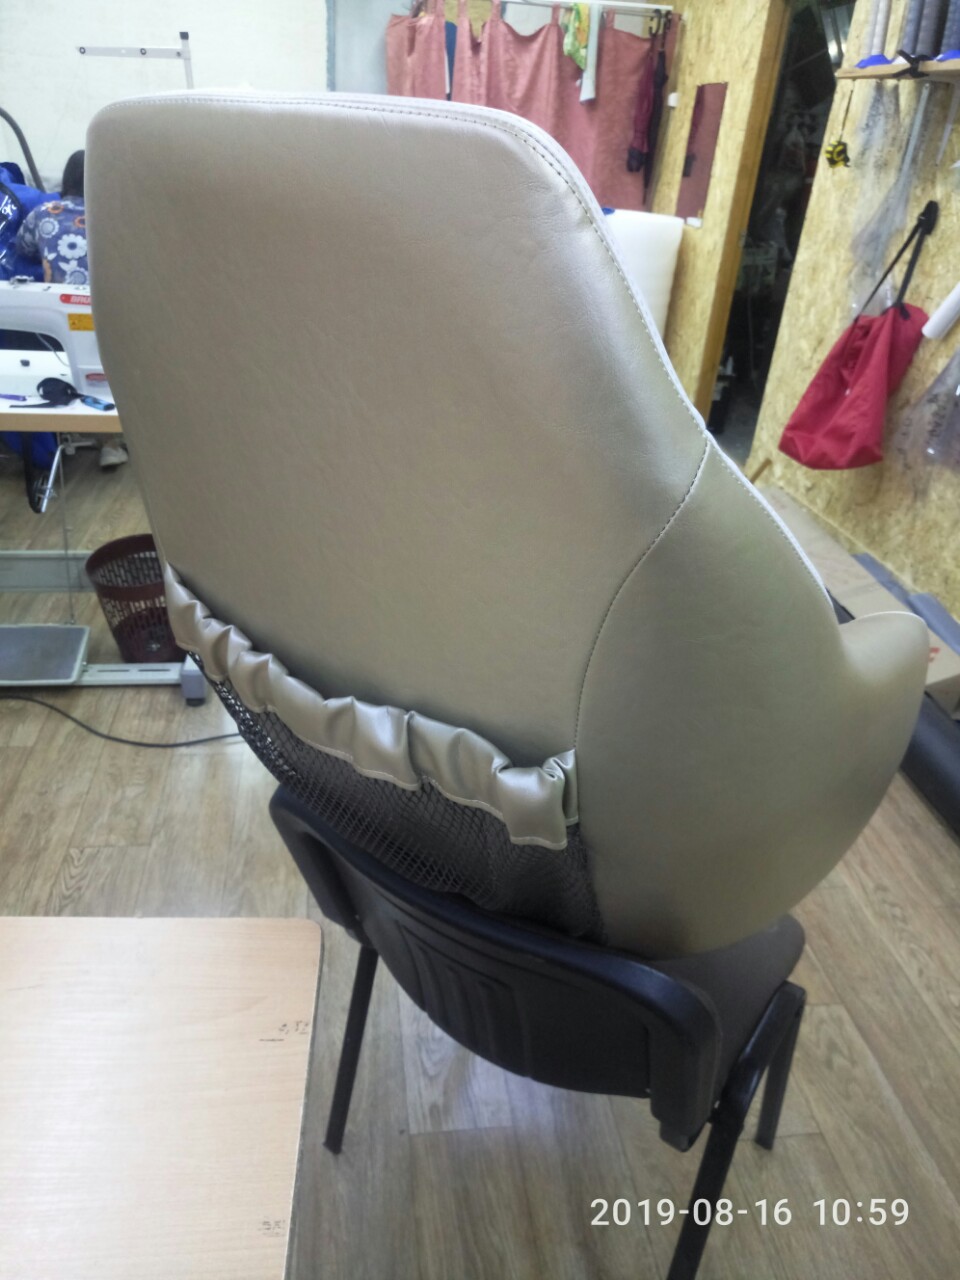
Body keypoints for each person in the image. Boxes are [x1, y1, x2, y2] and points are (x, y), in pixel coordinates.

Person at [16, 151, 128, 468]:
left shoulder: (42, 213)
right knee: (108, 367)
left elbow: (22, 248)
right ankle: (111, 441)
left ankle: (72, 434)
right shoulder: (115, 215)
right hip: (108, 310)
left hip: (58, 313)